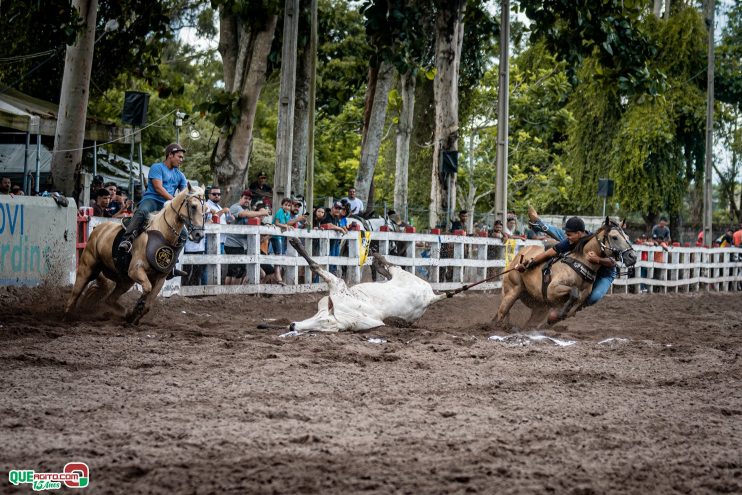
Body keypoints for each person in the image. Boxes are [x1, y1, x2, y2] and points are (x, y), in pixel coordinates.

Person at [523, 207, 617, 307]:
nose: (568, 237)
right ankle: (538, 223)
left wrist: (597, 259)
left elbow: (613, 262)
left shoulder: (598, 244)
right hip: (584, 258)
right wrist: (532, 262)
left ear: (579, 233)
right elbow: (548, 253)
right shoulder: (573, 240)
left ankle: (576, 307)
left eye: (570, 234)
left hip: (605, 273)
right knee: (564, 237)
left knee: (594, 297)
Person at [118, 143, 189, 253]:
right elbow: (158, 188)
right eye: (179, 157)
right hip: (152, 200)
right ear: (170, 154)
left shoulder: (180, 175)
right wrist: (174, 201)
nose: (181, 160)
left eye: (182, 158)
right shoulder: (157, 167)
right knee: (142, 211)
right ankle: (126, 240)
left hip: (167, 205)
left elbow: (185, 193)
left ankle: (171, 258)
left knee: (184, 234)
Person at [223, 191, 270, 285]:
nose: (247, 200)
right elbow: (244, 215)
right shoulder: (235, 207)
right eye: (245, 198)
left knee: (233, 271)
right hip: (233, 244)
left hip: (241, 245)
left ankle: (229, 293)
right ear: (241, 198)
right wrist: (261, 212)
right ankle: (233, 293)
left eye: (249, 199)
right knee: (238, 270)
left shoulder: (247, 209)